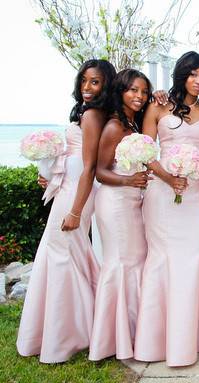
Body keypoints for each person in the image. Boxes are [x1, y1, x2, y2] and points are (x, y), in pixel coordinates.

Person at [17, 59, 116, 363]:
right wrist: (52, 172)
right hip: (68, 190)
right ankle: (85, 326)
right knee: (66, 257)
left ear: (105, 85)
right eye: (84, 80)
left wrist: (75, 212)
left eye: (95, 82)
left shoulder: (92, 115)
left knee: (61, 258)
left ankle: (71, 335)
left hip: (76, 196)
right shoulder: (89, 113)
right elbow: (74, 160)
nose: (88, 87)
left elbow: (88, 168)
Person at [134, 51, 199, 366]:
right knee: (164, 260)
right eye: (193, 74)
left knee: (195, 257)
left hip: (196, 196)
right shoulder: (158, 104)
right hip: (162, 193)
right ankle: (156, 341)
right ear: (181, 74)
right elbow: (145, 149)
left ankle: (191, 339)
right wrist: (168, 177)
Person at [89, 69, 152, 361]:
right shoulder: (114, 126)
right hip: (114, 203)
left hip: (133, 203)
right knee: (120, 264)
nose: (139, 97)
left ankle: (135, 333)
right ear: (121, 92)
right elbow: (100, 171)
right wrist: (128, 181)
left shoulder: (133, 122)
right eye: (133, 91)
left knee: (135, 262)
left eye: (143, 91)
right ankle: (111, 339)